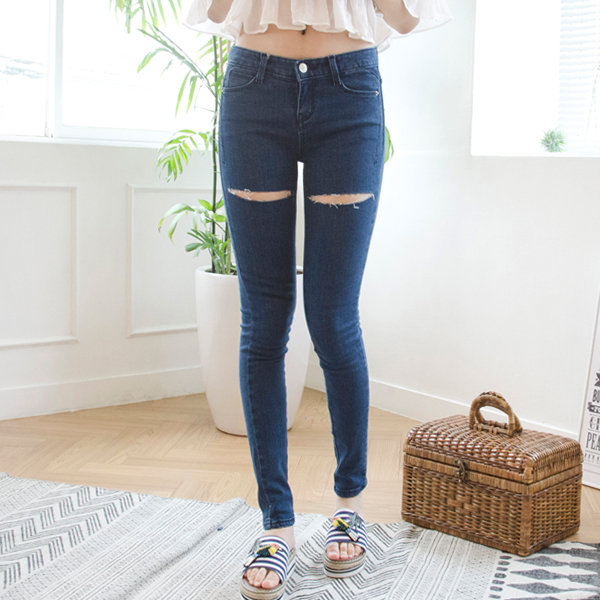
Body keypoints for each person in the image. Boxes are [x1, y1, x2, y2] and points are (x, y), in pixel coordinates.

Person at [183, 1, 452, 598]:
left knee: (332, 318)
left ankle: (349, 504)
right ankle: (276, 524)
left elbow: (405, 18)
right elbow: (213, 9)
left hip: (348, 90)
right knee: (265, 319)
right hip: (255, 88)